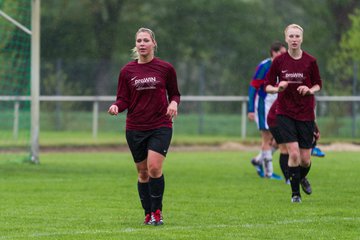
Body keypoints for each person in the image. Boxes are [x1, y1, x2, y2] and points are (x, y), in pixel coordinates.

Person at [108, 27, 181, 225]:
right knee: (142, 173)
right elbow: (123, 99)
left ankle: (158, 212)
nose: (142, 44)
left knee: (154, 168)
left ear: (153, 44)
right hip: (135, 127)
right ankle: (147, 213)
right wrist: (116, 106)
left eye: (145, 40)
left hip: (160, 125)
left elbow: (175, 93)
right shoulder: (127, 71)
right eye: (139, 40)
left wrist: (173, 103)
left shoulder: (165, 68)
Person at [264, 24, 322, 203]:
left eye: (297, 36)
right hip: (285, 113)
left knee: (305, 159)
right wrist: (276, 88)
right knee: (294, 154)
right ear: (286, 38)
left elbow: (318, 84)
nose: (294, 39)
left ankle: (301, 177)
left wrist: (310, 90)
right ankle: (295, 194)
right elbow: (267, 85)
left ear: (302, 38)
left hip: (305, 114)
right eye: (291, 36)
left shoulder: (310, 61)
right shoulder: (279, 61)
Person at [247, 41, 286, 178]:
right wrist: (251, 109)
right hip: (263, 105)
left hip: (278, 106)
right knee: (267, 138)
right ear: (274, 53)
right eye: (281, 52)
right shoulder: (264, 66)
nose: (284, 55)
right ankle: (268, 173)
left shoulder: (285, 66)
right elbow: (253, 87)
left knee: (279, 138)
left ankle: (258, 160)